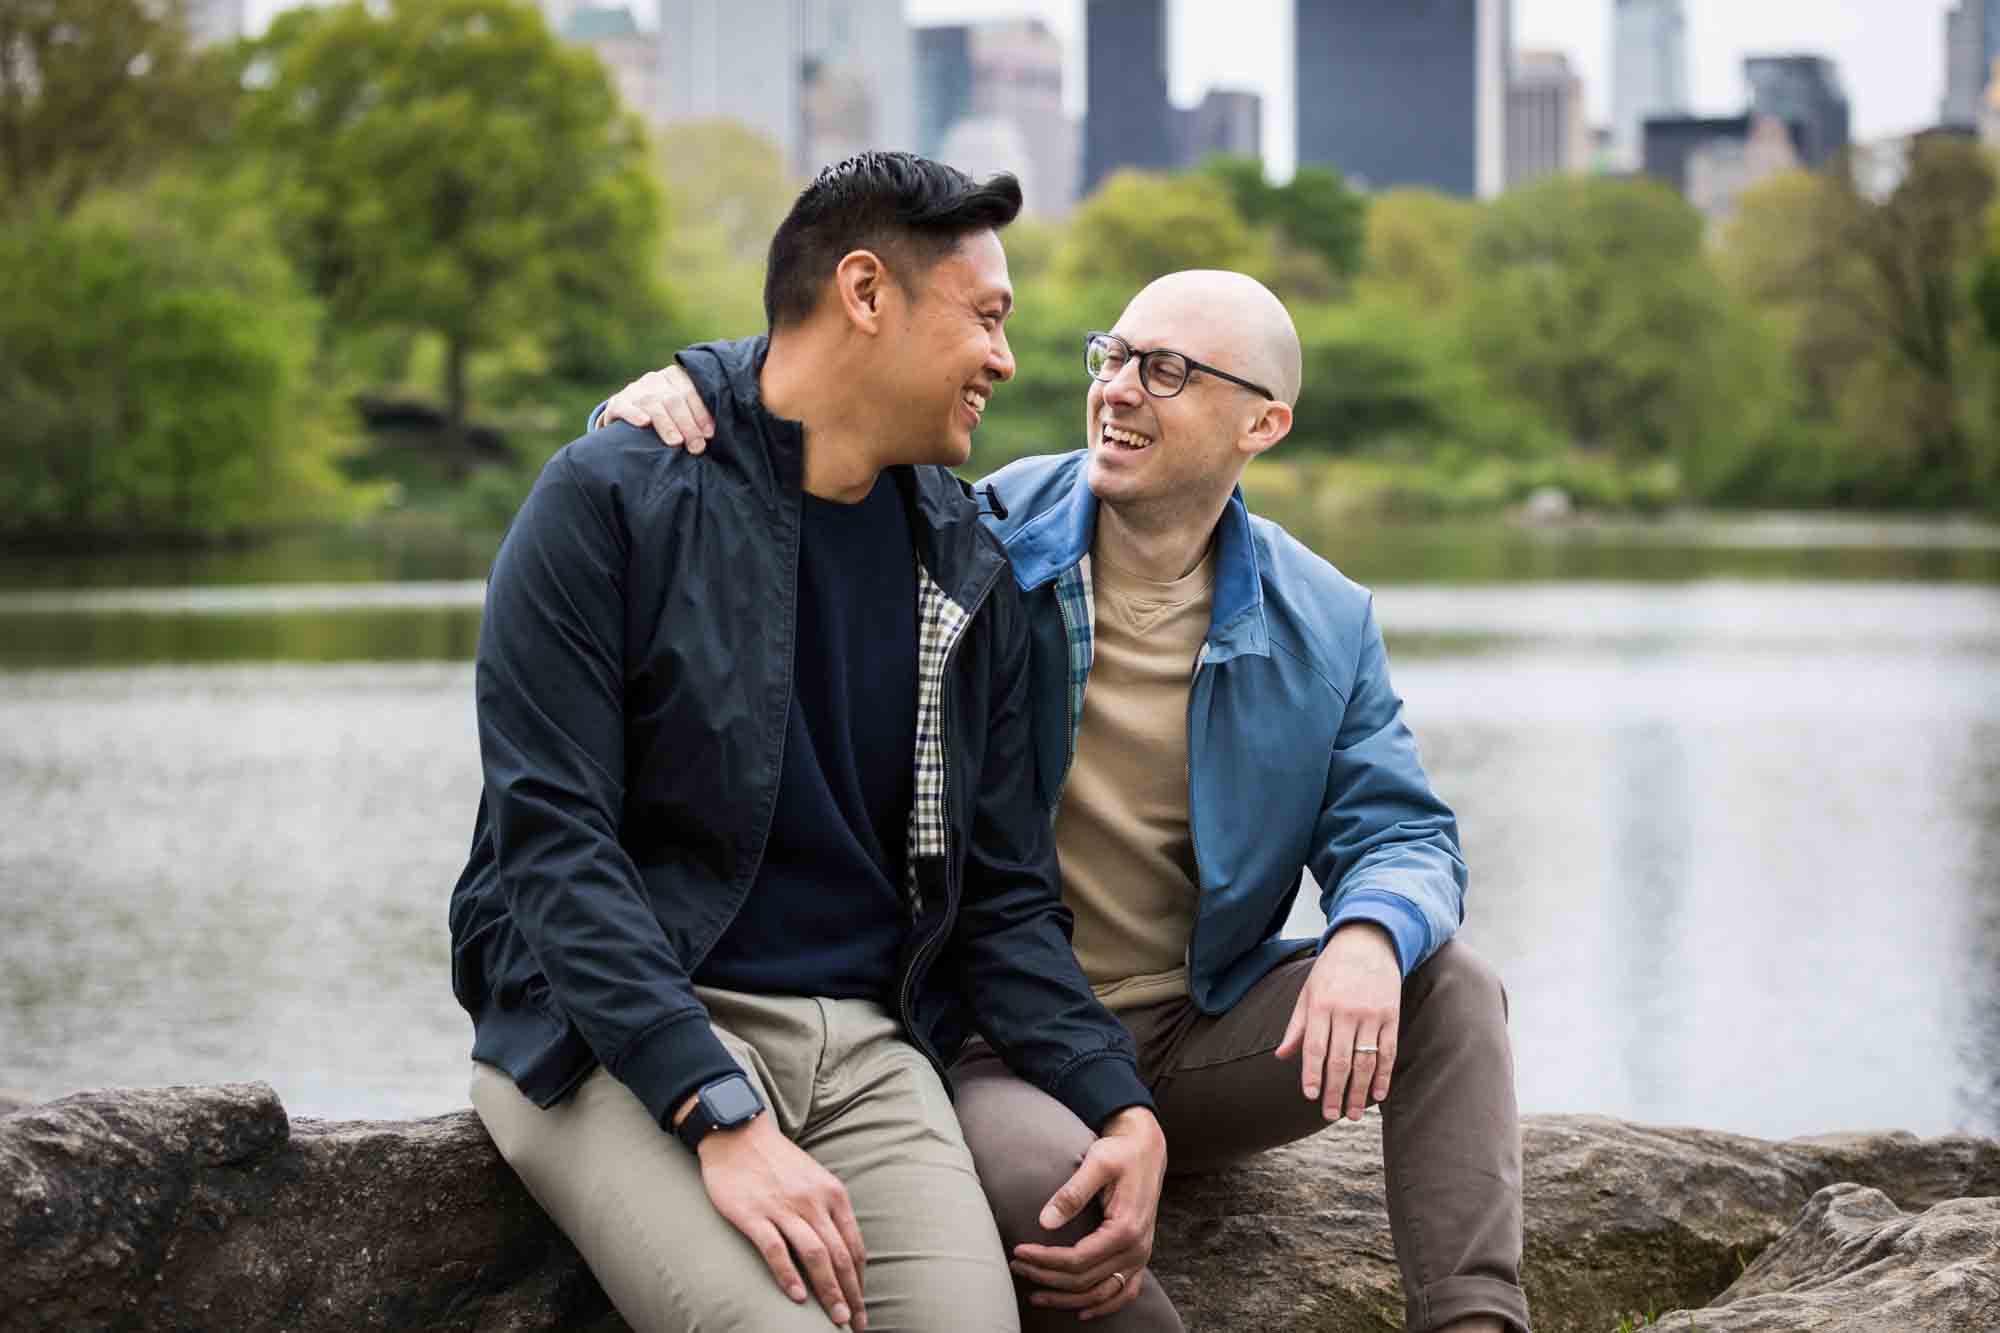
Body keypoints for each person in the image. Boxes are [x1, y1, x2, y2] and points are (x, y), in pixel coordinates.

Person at [594, 268, 1528, 1333]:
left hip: (1195, 1025)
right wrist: (689, 387)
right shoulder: (973, 538)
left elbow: (1402, 829)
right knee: (1092, 1247)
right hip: (995, 1040)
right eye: (1113, 355)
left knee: (1448, 985)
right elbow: (778, 516)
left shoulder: (1322, 615)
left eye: (1166, 371)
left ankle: (1472, 1321)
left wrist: (1368, 930)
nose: (1119, 389)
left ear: (1259, 423)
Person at [448, 152, 1169, 1333]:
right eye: (985, 317)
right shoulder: (610, 500)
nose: (1006, 358)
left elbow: (1000, 898)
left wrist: (1119, 1103)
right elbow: (553, 852)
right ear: (865, 293)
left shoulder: (966, 563)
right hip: (604, 1030)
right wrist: (717, 1113)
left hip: (869, 1052)